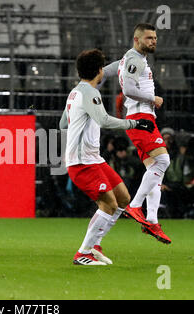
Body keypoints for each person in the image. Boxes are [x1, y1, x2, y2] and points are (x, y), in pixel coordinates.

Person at [59, 49, 154, 266]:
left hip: (93, 159)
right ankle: (83, 253)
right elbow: (103, 120)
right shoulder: (90, 93)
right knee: (109, 204)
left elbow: (63, 124)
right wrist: (135, 123)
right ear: (99, 71)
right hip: (83, 162)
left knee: (123, 199)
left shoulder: (75, 93)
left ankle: (94, 246)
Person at [117, 23, 172, 244]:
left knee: (154, 171)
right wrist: (153, 99)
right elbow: (128, 90)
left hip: (140, 118)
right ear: (136, 39)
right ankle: (135, 206)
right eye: (149, 38)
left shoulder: (135, 59)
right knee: (163, 162)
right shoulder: (134, 59)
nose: (153, 41)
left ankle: (152, 220)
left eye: (155, 38)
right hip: (141, 118)